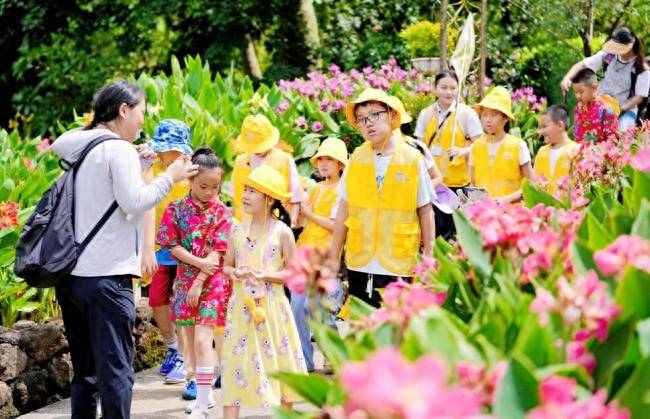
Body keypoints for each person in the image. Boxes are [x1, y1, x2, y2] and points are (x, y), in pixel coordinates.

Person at [50, 80, 198, 418]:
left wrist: (138, 162)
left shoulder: (88, 147)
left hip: (72, 278)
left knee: (85, 373)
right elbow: (135, 201)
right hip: (107, 279)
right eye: (141, 112)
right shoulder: (116, 149)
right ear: (123, 110)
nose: (143, 122)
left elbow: (60, 143)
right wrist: (169, 176)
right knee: (116, 372)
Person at [329, 88, 435, 308]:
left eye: (375, 115)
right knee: (360, 326)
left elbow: (425, 211)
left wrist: (429, 256)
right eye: (362, 119)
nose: (369, 123)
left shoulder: (412, 158)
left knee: (394, 326)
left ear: (392, 115)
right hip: (360, 258)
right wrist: (333, 257)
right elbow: (343, 210)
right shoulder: (357, 157)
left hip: (398, 260)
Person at [221, 165, 307, 418]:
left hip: (273, 311)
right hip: (241, 308)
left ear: (269, 199)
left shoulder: (282, 232)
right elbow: (226, 265)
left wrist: (266, 275)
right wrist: (233, 273)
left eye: (252, 191)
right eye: (245, 190)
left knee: (280, 365)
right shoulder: (236, 229)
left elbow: (294, 273)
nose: (245, 196)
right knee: (234, 366)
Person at [157, 147, 233, 417]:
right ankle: (204, 391)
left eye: (215, 186)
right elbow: (170, 244)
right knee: (189, 343)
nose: (210, 192)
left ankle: (201, 404)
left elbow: (219, 251)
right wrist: (196, 265)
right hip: (184, 281)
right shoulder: (175, 209)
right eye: (204, 186)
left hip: (212, 282)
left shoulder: (222, 212)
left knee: (203, 341)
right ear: (190, 180)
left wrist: (201, 276)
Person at [140, 119, 192, 387]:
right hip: (160, 249)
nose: (161, 153)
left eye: (165, 149)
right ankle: (173, 347)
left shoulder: (193, 169)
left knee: (182, 306)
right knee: (158, 301)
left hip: (186, 252)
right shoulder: (154, 167)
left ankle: (185, 357)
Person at [293, 137, 348, 372]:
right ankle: (303, 360)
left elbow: (336, 225)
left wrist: (308, 213)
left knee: (318, 310)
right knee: (296, 307)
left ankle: (333, 355)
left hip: (325, 255)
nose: (324, 164)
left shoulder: (342, 191)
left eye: (330, 159)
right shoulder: (315, 188)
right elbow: (301, 220)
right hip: (304, 253)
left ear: (340, 164)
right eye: (321, 159)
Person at [414, 69, 483, 237]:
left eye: (453, 88)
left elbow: (481, 145)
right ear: (435, 88)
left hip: (459, 184)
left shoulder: (466, 113)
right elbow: (418, 146)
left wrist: (463, 151)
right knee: (436, 232)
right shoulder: (426, 114)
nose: (448, 92)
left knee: (458, 233)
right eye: (444, 87)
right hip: (435, 185)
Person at [561, 27, 650, 131]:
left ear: (629, 46)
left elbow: (639, 97)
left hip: (626, 111)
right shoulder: (608, 56)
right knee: (583, 132)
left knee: (623, 133)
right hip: (600, 106)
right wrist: (567, 78)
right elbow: (583, 64)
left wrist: (618, 110)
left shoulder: (641, 68)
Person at [231, 114, 305, 225]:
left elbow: (295, 194)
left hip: (275, 221)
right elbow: (235, 198)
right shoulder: (240, 161)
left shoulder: (284, 159)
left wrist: (292, 221)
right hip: (245, 223)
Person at [469, 86, 535, 203]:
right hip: (484, 215)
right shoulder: (476, 146)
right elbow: (473, 184)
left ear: (505, 118)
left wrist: (505, 200)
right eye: (484, 115)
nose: (487, 120)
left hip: (511, 215)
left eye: (493, 115)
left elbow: (531, 185)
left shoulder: (518, 146)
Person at [534, 105, 580, 194]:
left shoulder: (575, 150)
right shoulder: (541, 151)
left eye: (544, 126)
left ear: (559, 125)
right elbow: (533, 180)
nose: (541, 131)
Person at [570, 68, 620, 143]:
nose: (578, 96)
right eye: (575, 92)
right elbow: (576, 135)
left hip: (601, 152)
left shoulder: (606, 109)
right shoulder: (578, 109)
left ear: (594, 87)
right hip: (581, 152)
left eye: (581, 92)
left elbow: (612, 138)